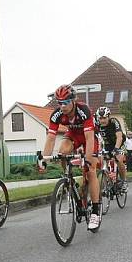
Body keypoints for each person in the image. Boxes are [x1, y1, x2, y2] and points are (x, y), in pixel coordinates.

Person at [39, 85, 101, 230]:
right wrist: (44, 159)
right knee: (62, 151)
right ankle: (68, 179)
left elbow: (89, 138)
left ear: (73, 100)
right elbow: (50, 138)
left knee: (91, 170)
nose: (63, 106)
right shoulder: (56, 114)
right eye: (59, 103)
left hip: (89, 136)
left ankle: (96, 212)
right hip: (73, 135)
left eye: (66, 102)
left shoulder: (83, 110)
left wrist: (88, 158)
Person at [95, 106, 127, 190]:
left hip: (119, 143)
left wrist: (116, 149)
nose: (102, 120)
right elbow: (93, 137)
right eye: (100, 118)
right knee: (102, 161)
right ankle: (107, 180)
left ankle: (124, 181)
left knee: (119, 160)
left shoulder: (114, 122)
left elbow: (119, 137)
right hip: (108, 144)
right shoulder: (97, 124)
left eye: (104, 118)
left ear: (108, 116)